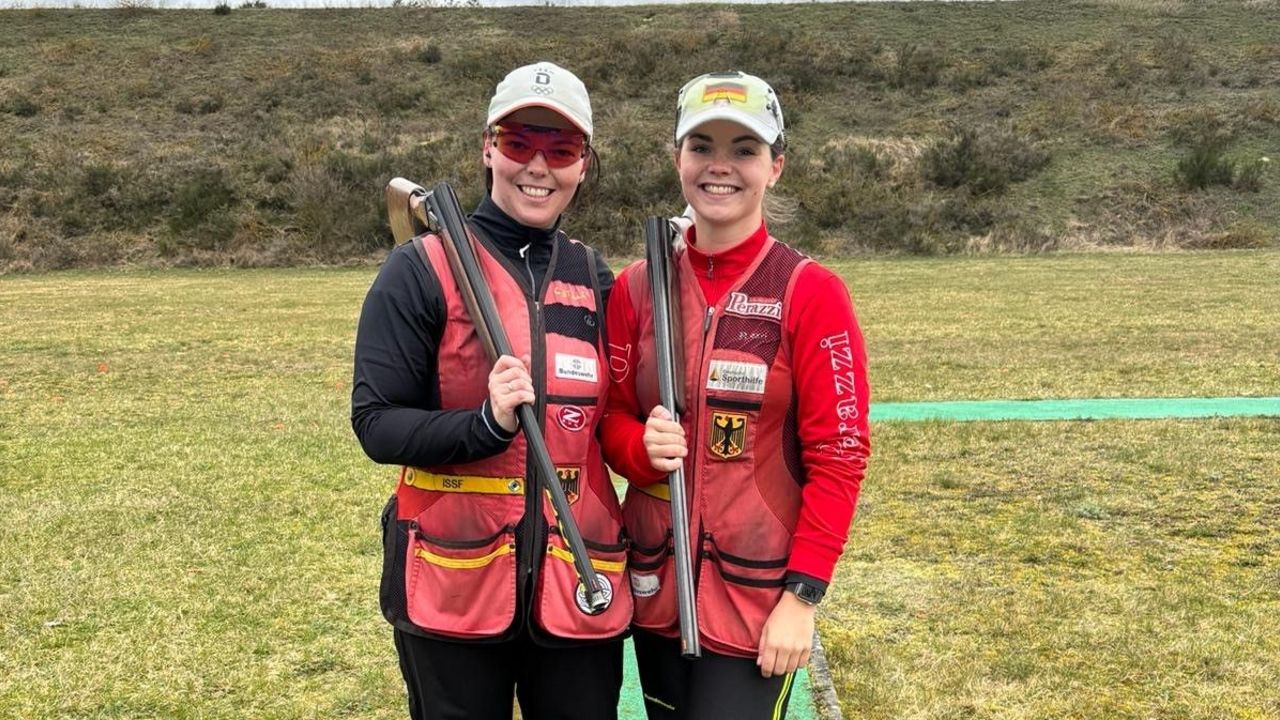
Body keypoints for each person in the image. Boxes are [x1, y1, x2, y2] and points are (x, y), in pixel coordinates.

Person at [351, 61, 629, 720]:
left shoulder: (595, 277)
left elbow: (618, 420)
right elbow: (377, 423)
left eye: (560, 149)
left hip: (578, 577)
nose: (538, 165)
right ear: (487, 148)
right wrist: (485, 424)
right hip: (452, 581)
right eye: (518, 142)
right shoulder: (418, 269)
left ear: (583, 165)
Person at [600, 71, 871, 720]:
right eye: (702, 146)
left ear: (775, 166)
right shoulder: (637, 285)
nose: (720, 166)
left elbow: (840, 455)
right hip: (653, 586)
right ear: (677, 159)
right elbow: (609, 417)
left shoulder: (811, 291)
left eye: (744, 149)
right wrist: (639, 449)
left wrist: (802, 599)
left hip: (757, 599)